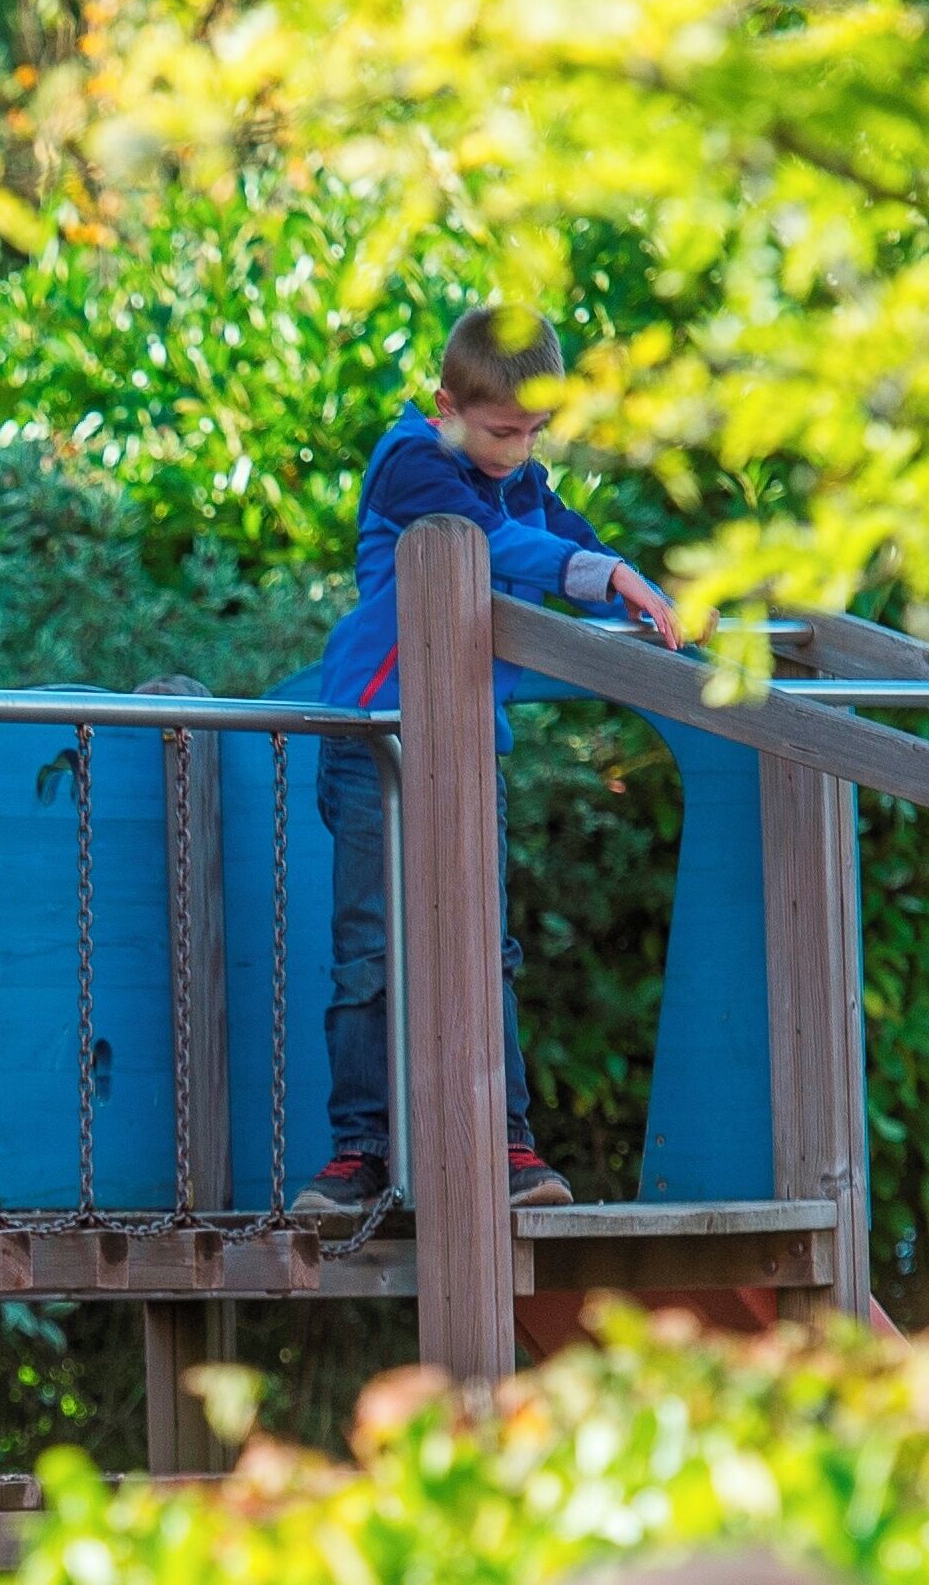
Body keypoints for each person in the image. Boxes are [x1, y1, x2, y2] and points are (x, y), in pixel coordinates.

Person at [297, 305, 685, 1214]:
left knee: (486, 950)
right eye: (503, 430)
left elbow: (572, 545)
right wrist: (607, 578)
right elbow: (493, 544)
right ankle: (359, 1150)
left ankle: (506, 1145)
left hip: (465, 743)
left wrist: (646, 595)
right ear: (448, 404)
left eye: (534, 431)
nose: (517, 450)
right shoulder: (412, 464)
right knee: (372, 954)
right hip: (374, 743)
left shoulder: (521, 479)